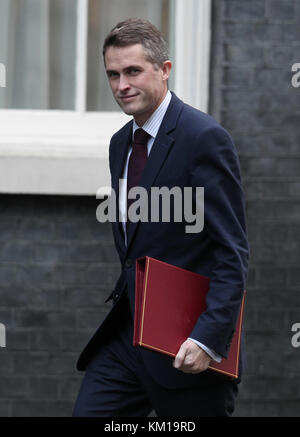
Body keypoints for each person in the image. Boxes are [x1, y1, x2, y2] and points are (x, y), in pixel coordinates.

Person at [73, 18, 249, 417]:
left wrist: (207, 339)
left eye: (133, 71)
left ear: (164, 70)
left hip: (186, 348)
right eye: (113, 75)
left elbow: (232, 252)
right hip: (125, 339)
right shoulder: (121, 143)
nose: (121, 86)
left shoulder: (204, 138)